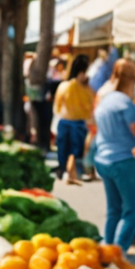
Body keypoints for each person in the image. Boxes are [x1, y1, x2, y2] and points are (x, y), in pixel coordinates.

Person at [89, 58, 135, 249]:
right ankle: (118, 254)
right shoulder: (126, 104)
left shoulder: (106, 101)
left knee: (114, 210)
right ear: (132, 80)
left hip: (104, 159)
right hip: (123, 161)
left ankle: (107, 252)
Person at [53, 55, 95, 183]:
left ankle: (64, 170)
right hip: (79, 123)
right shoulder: (85, 89)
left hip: (65, 121)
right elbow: (91, 106)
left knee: (63, 149)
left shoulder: (64, 86)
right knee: (76, 150)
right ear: (82, 72)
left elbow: (57, 106)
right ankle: (74, 173)